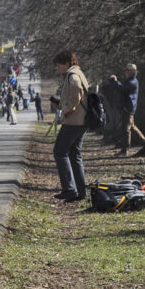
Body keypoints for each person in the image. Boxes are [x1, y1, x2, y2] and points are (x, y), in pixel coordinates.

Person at [50, 50, 88, 203]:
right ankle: (81, 191)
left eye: (59, 65)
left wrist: (68, 108)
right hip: (81, 122)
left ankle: (69, 189)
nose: (58, 69)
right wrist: (61, 105)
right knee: (74, 154)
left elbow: (77, 90)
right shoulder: (79, 72)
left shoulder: (72, 75)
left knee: (59, 151)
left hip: (73, 122)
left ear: (66, 63)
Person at [109, 63, 145, 156]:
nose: (125, 72)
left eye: (127, 71)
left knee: (126, 129)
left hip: (128, 109)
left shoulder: (132, 82)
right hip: (128, 108)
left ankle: (125, 150)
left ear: (132, 72)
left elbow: (122, 89)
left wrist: (114, 81)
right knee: (132, 127)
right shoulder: (130, 81)